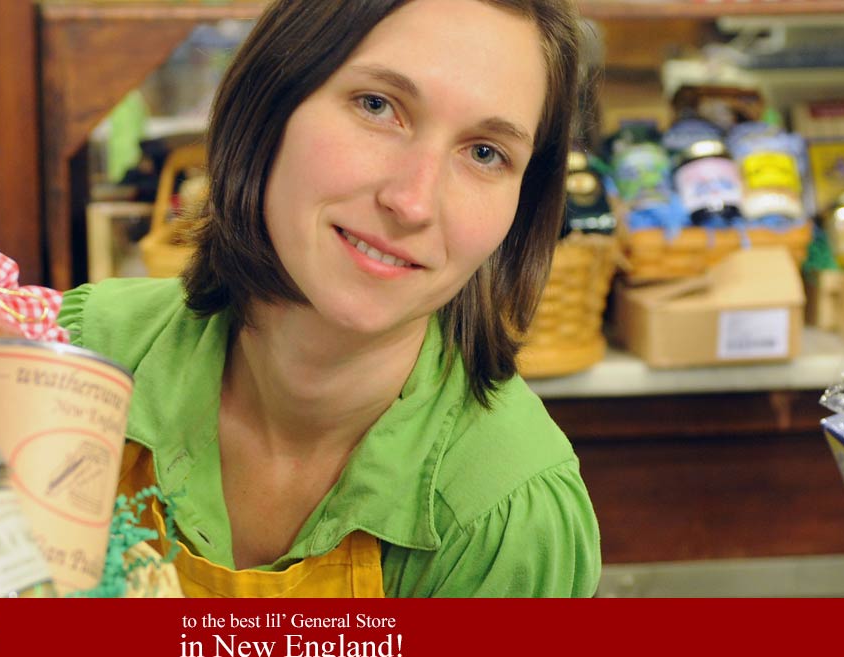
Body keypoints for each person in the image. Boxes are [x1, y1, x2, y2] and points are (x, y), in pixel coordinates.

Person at [60, 0, 599, 597]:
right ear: (271, 102)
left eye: (484, 153)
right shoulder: (82, 355)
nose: (413, 201)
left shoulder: (503, 518)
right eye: (378, 106)